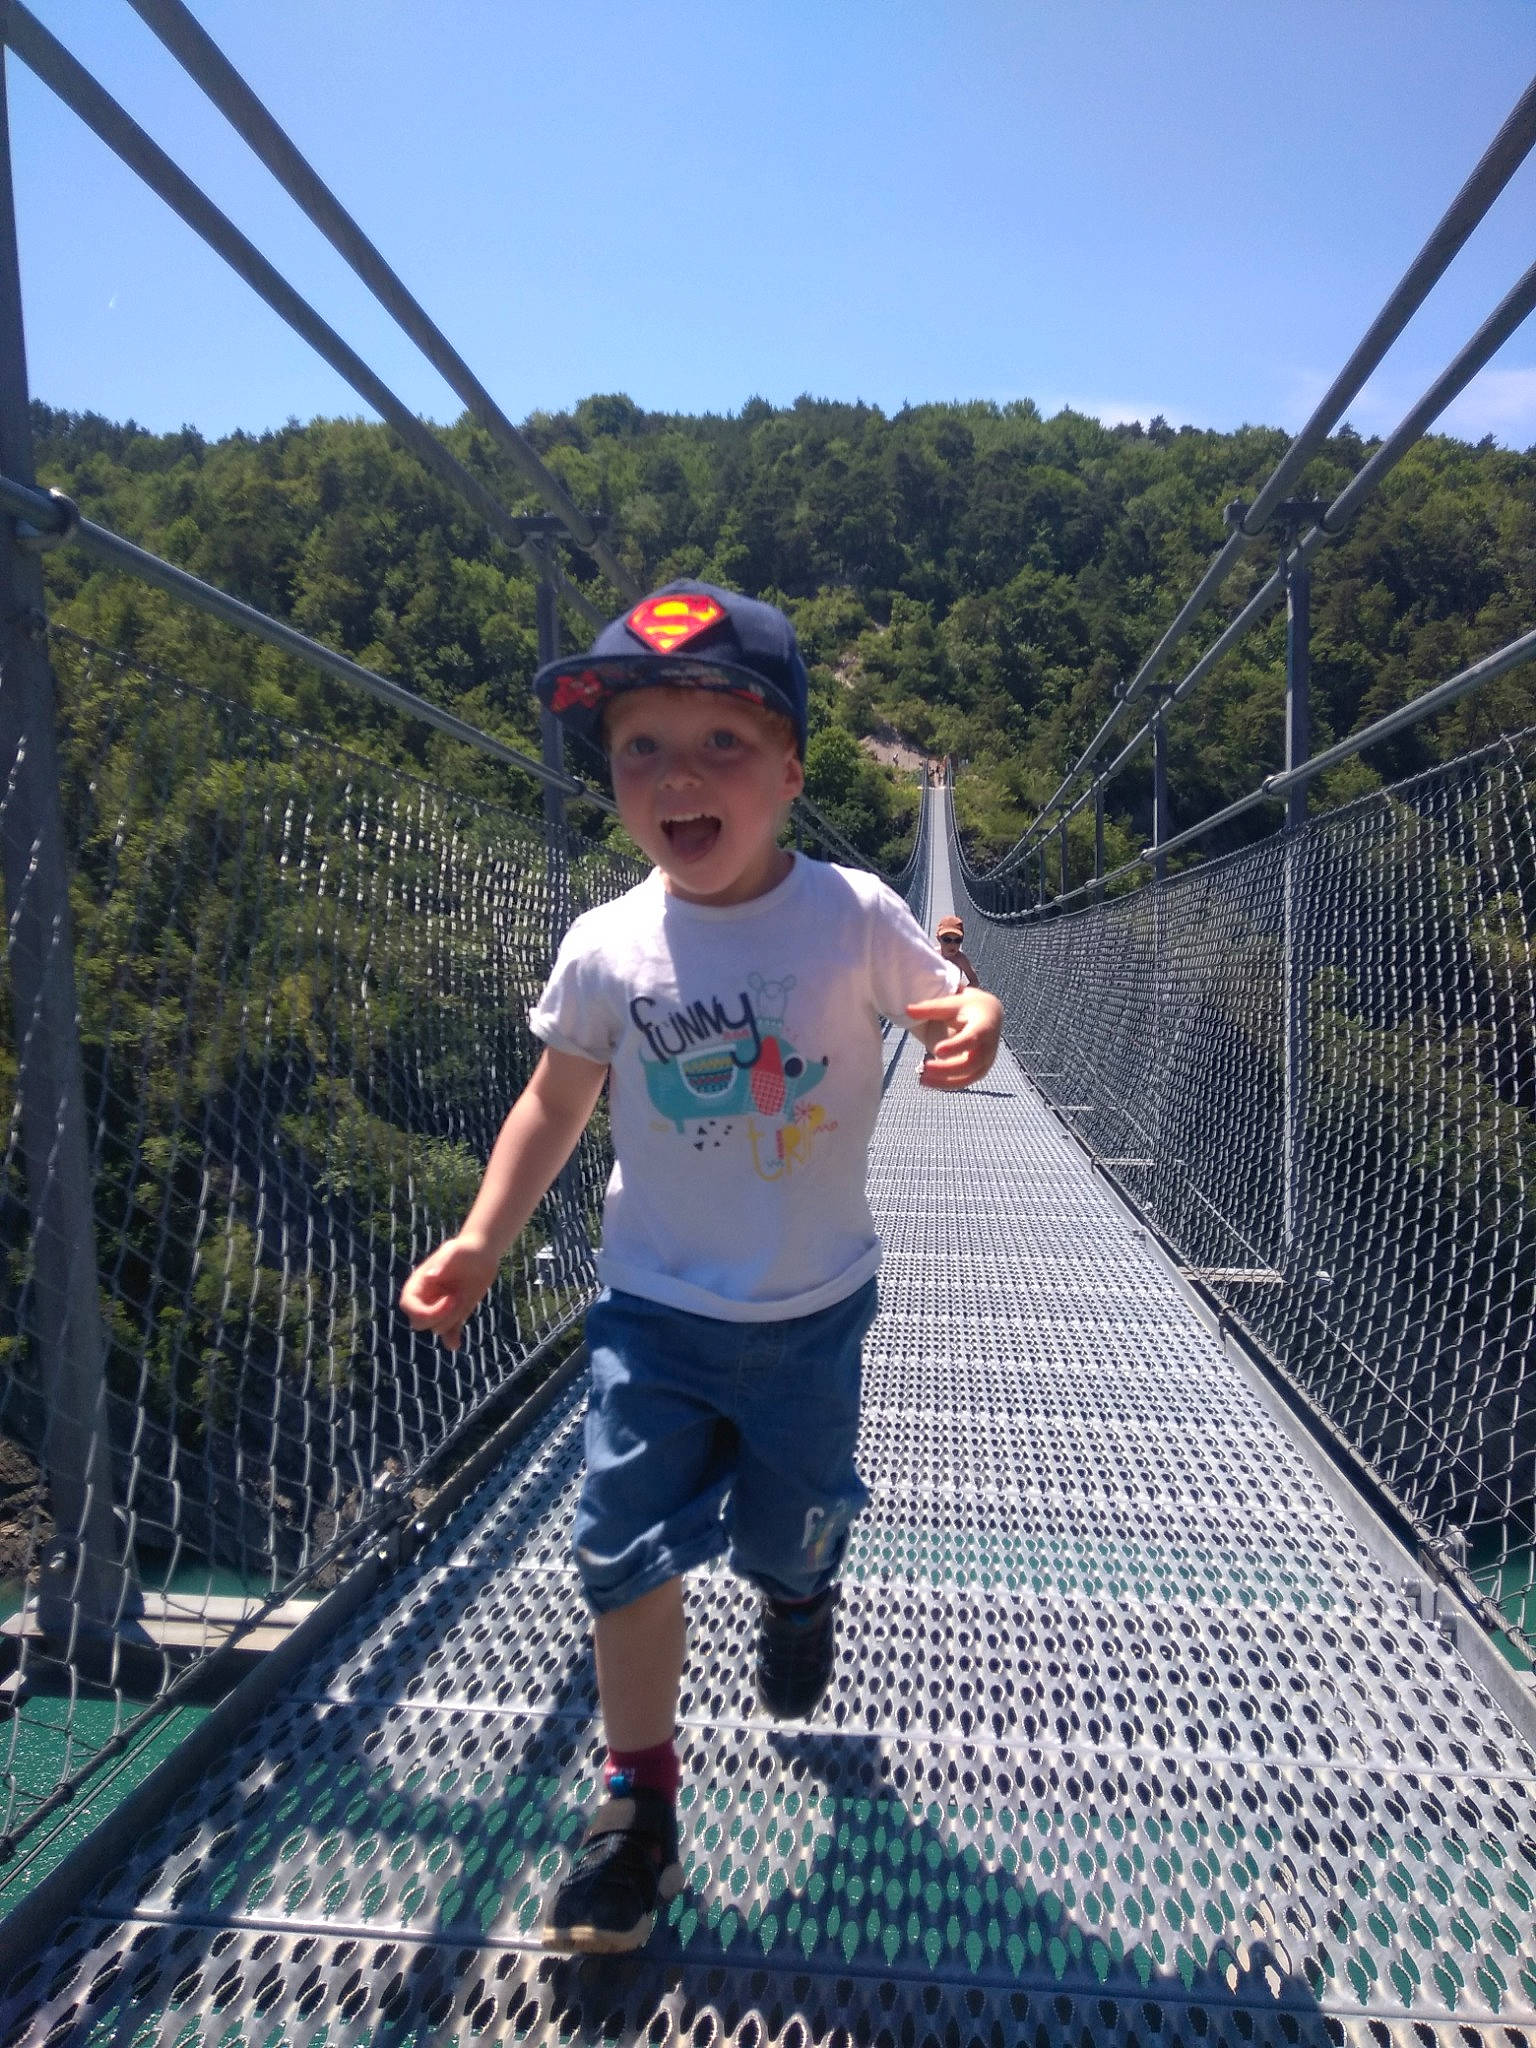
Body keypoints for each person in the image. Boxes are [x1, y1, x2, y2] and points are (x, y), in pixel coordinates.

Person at [400, 580, 1003, 1956]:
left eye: (721, 744)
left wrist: (975, 1016)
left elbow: (953, 994)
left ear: (792, 771)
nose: (678, 776)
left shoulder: (852, 914)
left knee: (789, 1530)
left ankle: (800, 1594)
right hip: (652, 1313)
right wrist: (484, 1239)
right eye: (639, 749)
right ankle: (637, 1805)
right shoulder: (608, 945)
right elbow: (553, 1105)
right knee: (615, 1544)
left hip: (810, 1315)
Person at [936, 914, 979, 987]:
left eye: (957, 940)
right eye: (947, 940)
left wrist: (961, 994)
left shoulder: (960, 959)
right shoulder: (933, 955)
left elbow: (974, 981)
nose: (952, 944)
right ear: (938, 939)